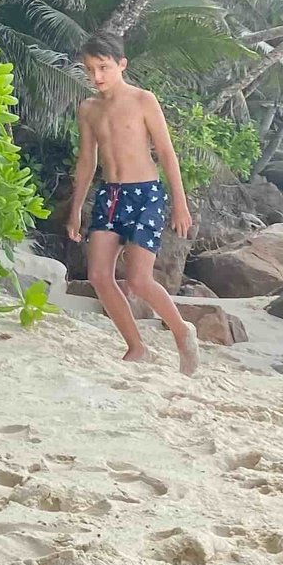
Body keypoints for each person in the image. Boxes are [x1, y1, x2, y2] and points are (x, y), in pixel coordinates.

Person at [66, 30, 198, 376]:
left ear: (121, 65)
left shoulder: (143, 100)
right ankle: (137, 346)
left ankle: (183, 332)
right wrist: (76, 208)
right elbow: (86, 162)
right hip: (109, 196)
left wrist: (180, 205)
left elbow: (167, 154)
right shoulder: (88, 109)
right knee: (98, 275)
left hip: (145, 194)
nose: (96, 77)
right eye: (90, 69)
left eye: (104, 68)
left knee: (139, 279)